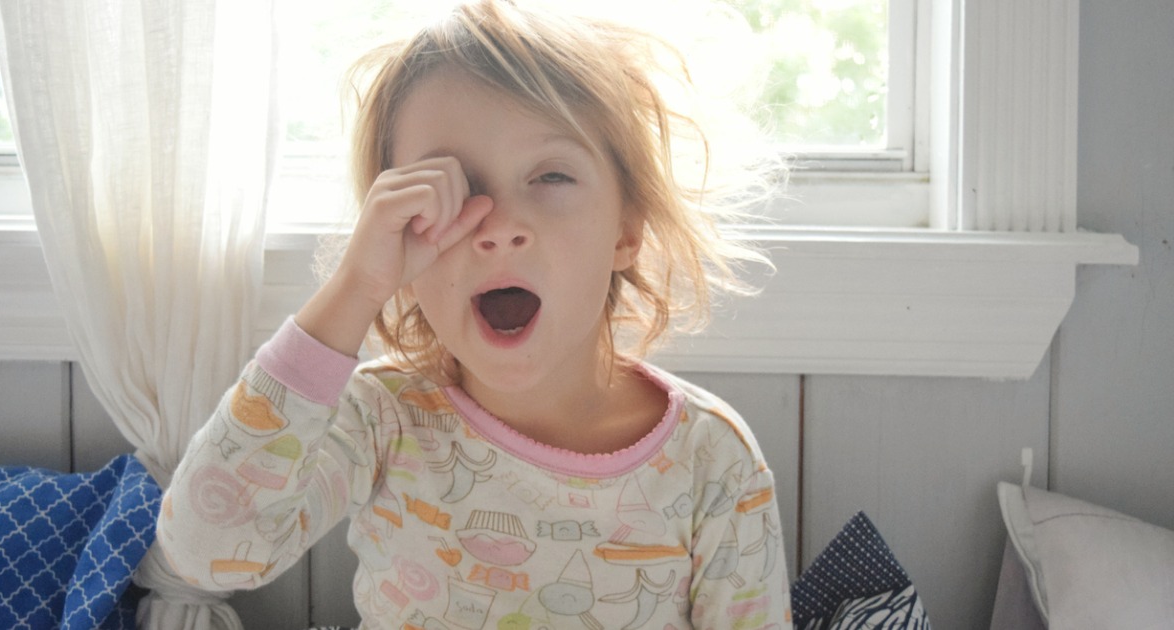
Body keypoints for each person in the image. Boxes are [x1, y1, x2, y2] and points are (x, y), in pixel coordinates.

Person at [157, 1, 791, 627]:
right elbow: (207, 554)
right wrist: (357, 284)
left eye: (550, 177)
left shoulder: (711, 459)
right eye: (454, 185)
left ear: (625, 231)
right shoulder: (382, 419)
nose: (502, 228)